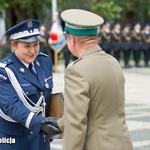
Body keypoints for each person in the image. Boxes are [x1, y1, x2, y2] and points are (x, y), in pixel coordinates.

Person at [53, 9, 133, 150]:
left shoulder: (76, 70)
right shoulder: (113, 61)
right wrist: (59, 124)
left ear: (71, 39)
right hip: (122, 144)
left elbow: (76, 123)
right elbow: (100, 110)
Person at [0, 19, 61, 150]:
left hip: (41, 138)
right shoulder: (5, 71)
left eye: (36, 45)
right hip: (16, 141)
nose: (33, 51)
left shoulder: (44, 62)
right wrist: (41, 123)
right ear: (14, 45)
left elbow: (45, 98)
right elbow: (11, 106)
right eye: (27, 46)